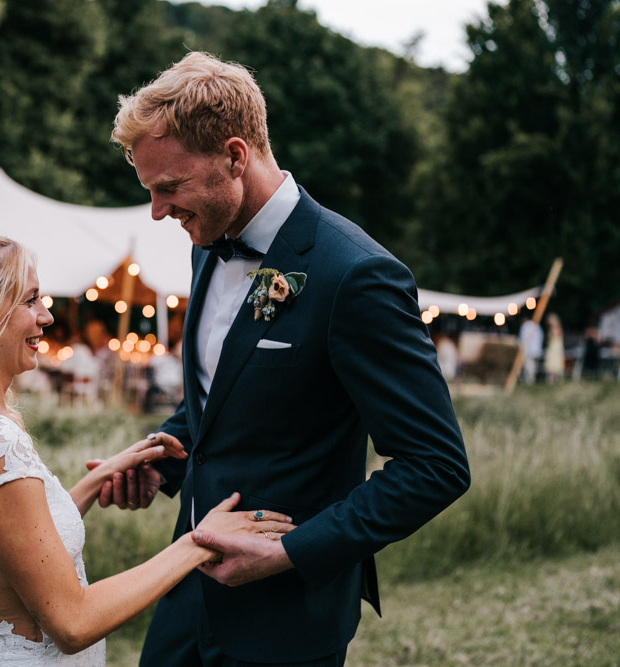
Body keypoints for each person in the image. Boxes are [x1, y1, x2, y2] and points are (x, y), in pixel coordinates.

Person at [104, 52, 471, 665]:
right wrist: (161, 458)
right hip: (183, 594)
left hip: (286, 619)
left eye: (168, 188)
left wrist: (291, 551)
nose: (157, 211)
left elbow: (436, 465)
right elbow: (227, 400)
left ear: (235, 156)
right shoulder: (206, 244)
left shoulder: (356, 275)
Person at [0, 232, 293, 665]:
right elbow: (72, 622)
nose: (46, 316)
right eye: (29, 300)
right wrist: (198, 542)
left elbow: (19, 546)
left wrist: (96, 479)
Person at [518, 317, 544, 384]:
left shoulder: (525, 326)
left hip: (528, 351)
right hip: (536, 351)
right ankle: (530, 379)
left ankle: (529, 381)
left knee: (529, 367)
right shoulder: (537, 326)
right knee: (532, 366)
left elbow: (522, 339)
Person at [543, 313, 565, 383]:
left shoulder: (556, 327)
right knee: (552, 362)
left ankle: (552, 379)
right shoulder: (553, 328)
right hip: (553, 346)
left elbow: (554, 337)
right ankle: (552, 378)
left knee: (554, 362)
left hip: (555, 347)